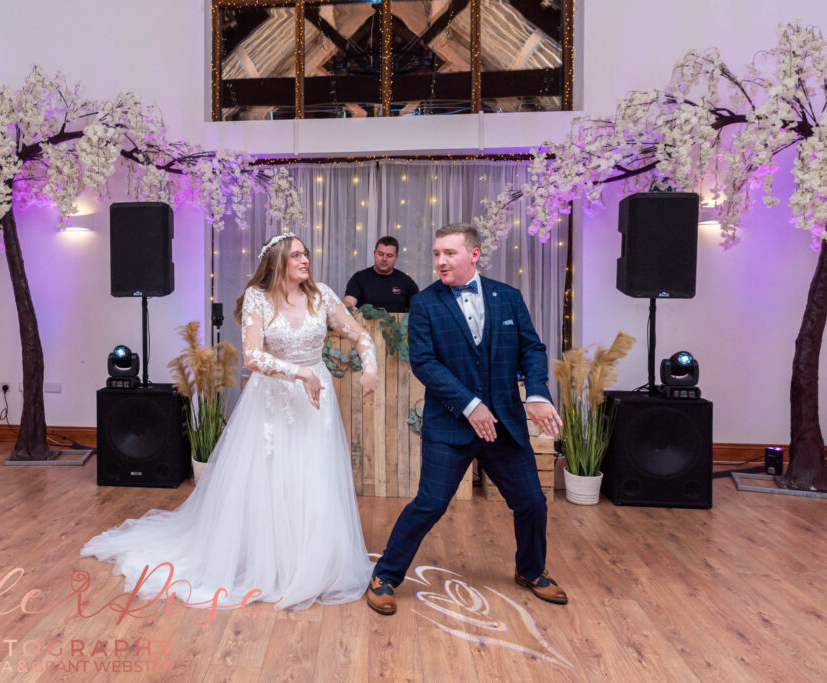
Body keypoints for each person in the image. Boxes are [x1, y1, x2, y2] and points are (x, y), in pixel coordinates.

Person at [82, 233, 379, 611]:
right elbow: (253, 357)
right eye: (298, 256)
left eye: (306, 254)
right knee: (269, 478)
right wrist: (300, 373)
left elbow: (359, 335)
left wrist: (369, 364)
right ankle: (266, 563)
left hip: (314, 403)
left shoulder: (321, 294)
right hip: (271, 400)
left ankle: (313, 562)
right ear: (278, 262)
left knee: (313, 476)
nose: (306, 260)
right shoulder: (258, 298)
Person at [366, 222, 567, 616]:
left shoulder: (508, 297)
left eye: (449, 253)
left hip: (504, 426)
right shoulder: (424, 303)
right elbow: (424, 363)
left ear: (473, 254)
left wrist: (538, 394)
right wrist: (470, 404)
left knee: (531, 502)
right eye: (436, 254)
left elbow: (532, 348)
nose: (440, 261)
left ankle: (530, 570)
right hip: (450, 425)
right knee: (429, 504)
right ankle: (385, 576)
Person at [343, 236, 419, 313]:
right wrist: (349, 307)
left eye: (389, 256)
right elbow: (348, 302)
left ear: (396, 257)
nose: (384, 259)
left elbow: (418, 307)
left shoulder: (406, 282)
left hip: (397, 325)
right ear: (374, 253)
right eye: (380, 254)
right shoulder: (359, 278)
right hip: (362, 325)